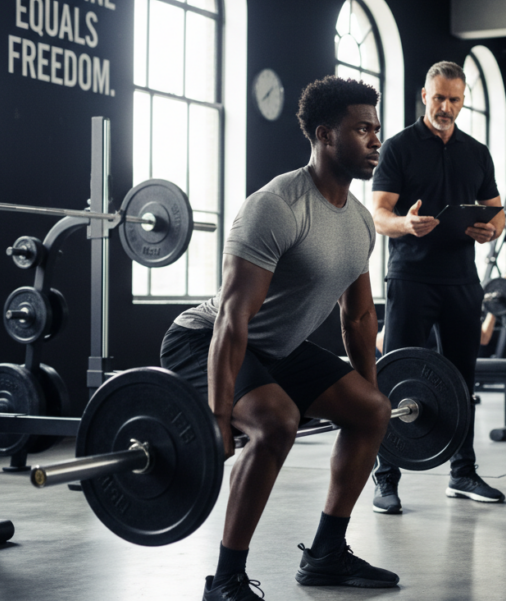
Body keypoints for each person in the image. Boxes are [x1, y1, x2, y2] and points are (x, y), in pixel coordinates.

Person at [159, 77, 398, 600]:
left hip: (276, 348)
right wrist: (218, 420)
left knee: (373, 412)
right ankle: (224, 581)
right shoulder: (277, 206)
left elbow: (358, 319)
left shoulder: (360, 222)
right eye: (362, 130)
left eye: (377, 130)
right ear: (324, 135)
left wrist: (369, 393)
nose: (376, 140)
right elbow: (231, 319)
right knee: (275, 423)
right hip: (203, 340)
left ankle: (327, 555)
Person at [370, 60, 506, 514]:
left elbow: (496, 210)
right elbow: (378, 214)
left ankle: (462, 473)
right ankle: (385, 477)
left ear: (463, 100)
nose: (446, 107)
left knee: (461, 379)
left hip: (461, 280)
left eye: (455, 99)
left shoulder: (476, 152)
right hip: (410, 276)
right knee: (395, 375)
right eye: (439, 98)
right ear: (424, 96)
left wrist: (493, 230)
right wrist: (405, 224)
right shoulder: (398, 148)